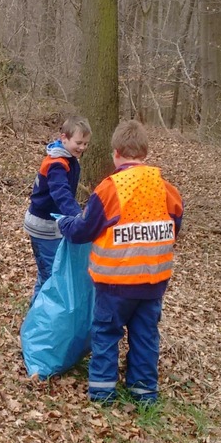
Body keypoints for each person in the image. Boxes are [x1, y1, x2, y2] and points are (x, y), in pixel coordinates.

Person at [57, 120, 183, 405]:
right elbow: (174, 226)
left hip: (115, 283)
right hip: (153, 282)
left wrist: (65, 224)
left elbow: (85, 230)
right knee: (145, 335)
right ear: (145, 153)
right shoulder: (167, 189)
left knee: (106, 334)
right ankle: (144, 393)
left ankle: (102, 393)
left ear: (115, 153)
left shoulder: (110, 189)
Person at [24, 116, 91, 300]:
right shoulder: (57, 164)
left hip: (53, 224)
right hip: (43, 226)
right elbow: (60, 192)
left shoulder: (69, 158)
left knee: (47, 272)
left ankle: (39, 318)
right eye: (79, 142)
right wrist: (77, 215)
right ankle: (40, 324)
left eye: (86, 143)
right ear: (64, 138)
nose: (82, 147)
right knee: (51, 276)